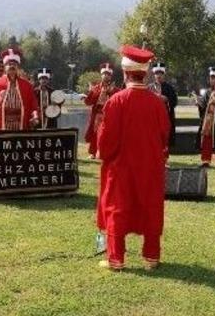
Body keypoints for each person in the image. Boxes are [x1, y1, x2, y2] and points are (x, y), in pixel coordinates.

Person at [96, 45, 170, 271]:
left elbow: (107, 139)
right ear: (145, 72)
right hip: (149, 166)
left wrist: (103, 152)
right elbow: (164, 134)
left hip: (121, 166)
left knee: (117, 207)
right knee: (150, 206)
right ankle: (152, 256)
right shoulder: (157, 102)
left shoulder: (117, 101)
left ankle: (116, 258)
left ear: (126, 73)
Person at [0, 49, 40, 130]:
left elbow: (33, 105)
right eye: (9, 64)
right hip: (0, 127)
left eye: (14, 64)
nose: (12, 66)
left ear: (18, 67)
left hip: (22, 127)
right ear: (5, 67)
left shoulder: (27, 85)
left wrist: (35, 116)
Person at [84, 63, 120, 158]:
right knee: (95, 132)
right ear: (101, 75)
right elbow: (88, 102)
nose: (106, 76)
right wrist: (92, 93)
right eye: (104, 74)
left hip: (109, 114)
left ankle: (105, 152)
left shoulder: (115, 89)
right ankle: (93, 152)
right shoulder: (95, 88)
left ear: (111, 76)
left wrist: (110, 93)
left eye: (108, 74)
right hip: (97, 114)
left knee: (107, 133)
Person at [150, 62, 178, 162]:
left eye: (160, 73)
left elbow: (174, 102)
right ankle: (153, 158)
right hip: (152, 118)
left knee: (165, 138)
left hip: (166, 117)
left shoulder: (169, 88)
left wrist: (166, 99)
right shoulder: (149, 88)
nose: (158, 75)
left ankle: (164, 159)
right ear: (154, 75)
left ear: (164, 74)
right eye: (156, 73)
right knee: (152, 138)